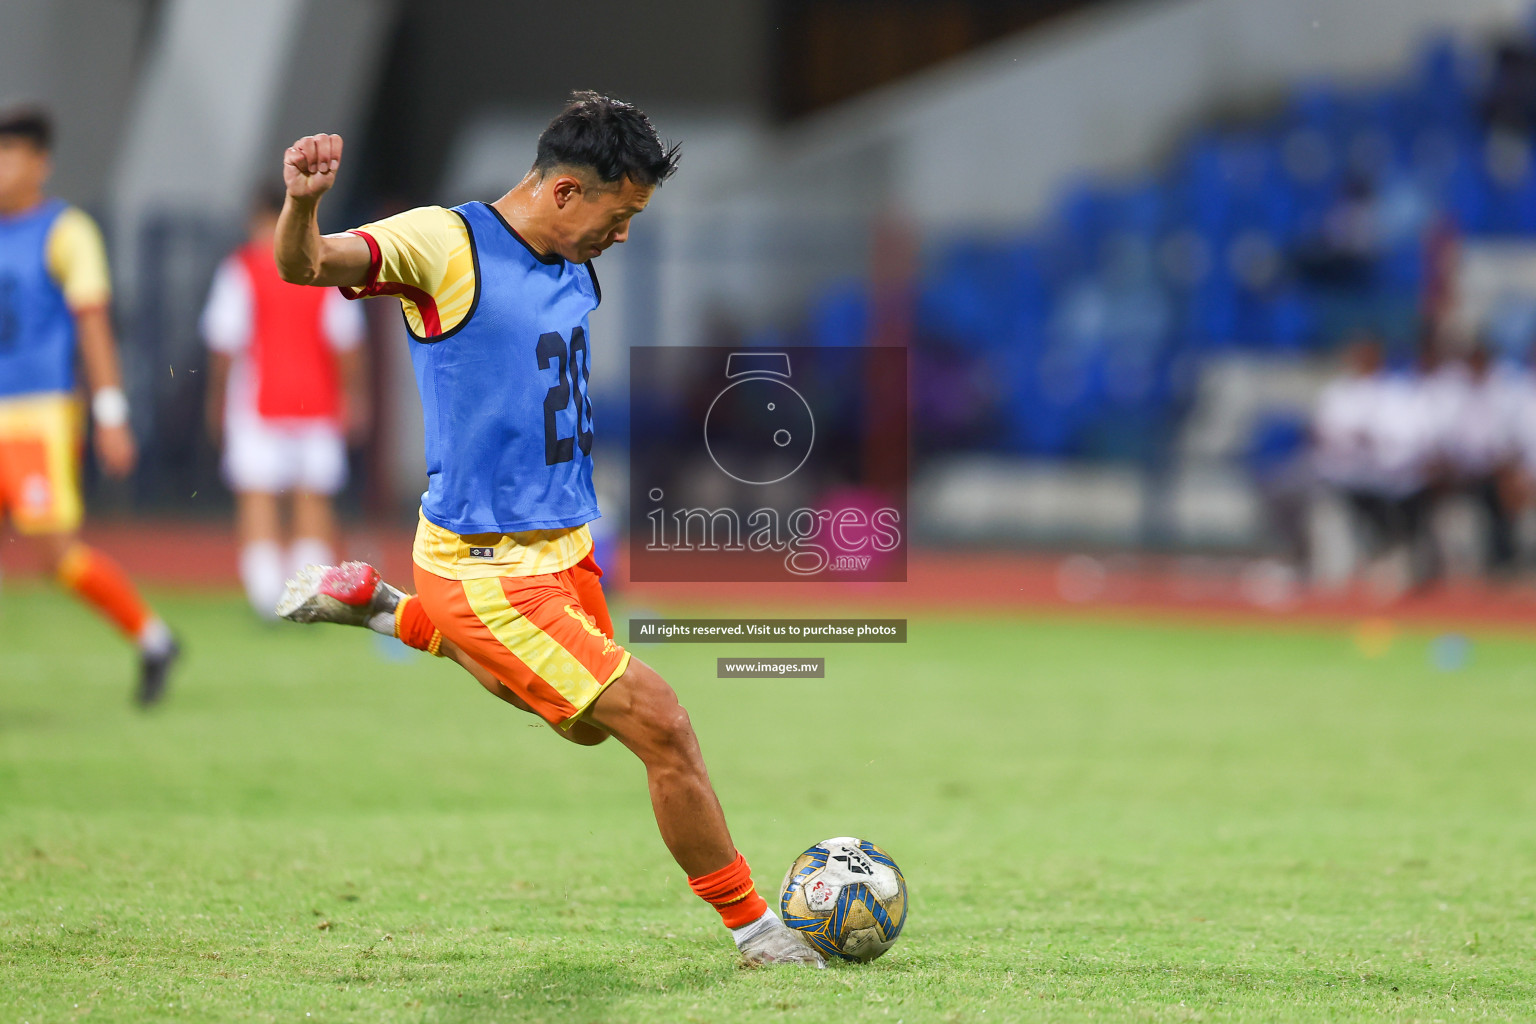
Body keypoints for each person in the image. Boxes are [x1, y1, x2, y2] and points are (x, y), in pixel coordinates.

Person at [270, 92, 822, 967]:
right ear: (566, 191)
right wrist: (303, 204)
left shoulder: (573, 253)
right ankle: (757, 930)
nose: (627, 234)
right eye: (622, 212)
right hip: (483, 567)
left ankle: (383, 610)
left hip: (566, 551)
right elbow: (308, 268)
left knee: (583, 723)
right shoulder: (443, 244)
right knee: (663, 726)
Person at [0, 104, 177, 704]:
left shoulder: (65, 231)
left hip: (37, 419)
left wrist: (110, 415)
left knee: (55, 556)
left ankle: (152, 637)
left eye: (9, 155)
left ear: (39, 163)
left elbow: (94, 325)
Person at [201, 187, 367, 618]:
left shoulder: (241, 269)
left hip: (257, 403)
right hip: (317, 401)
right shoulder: (325, 265)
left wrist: (216, 401)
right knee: (313, 497)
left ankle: (266, 598)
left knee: (258, 496)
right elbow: (347, 343)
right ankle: (310, 596)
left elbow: (224, 346)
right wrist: (354, 396)